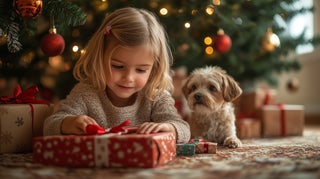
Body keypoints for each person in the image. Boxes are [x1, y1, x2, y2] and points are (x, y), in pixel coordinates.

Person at [43, 7, 191, 144]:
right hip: (96, 168)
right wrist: (68, 123)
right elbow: (50, 126)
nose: (128, 78)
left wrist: (169, 128)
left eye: (140, 70)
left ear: (154, 68)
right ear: (100, 58)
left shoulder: (155, 95)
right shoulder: (85, 92)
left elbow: (183, 129)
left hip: (142, 167)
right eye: (118, 66)